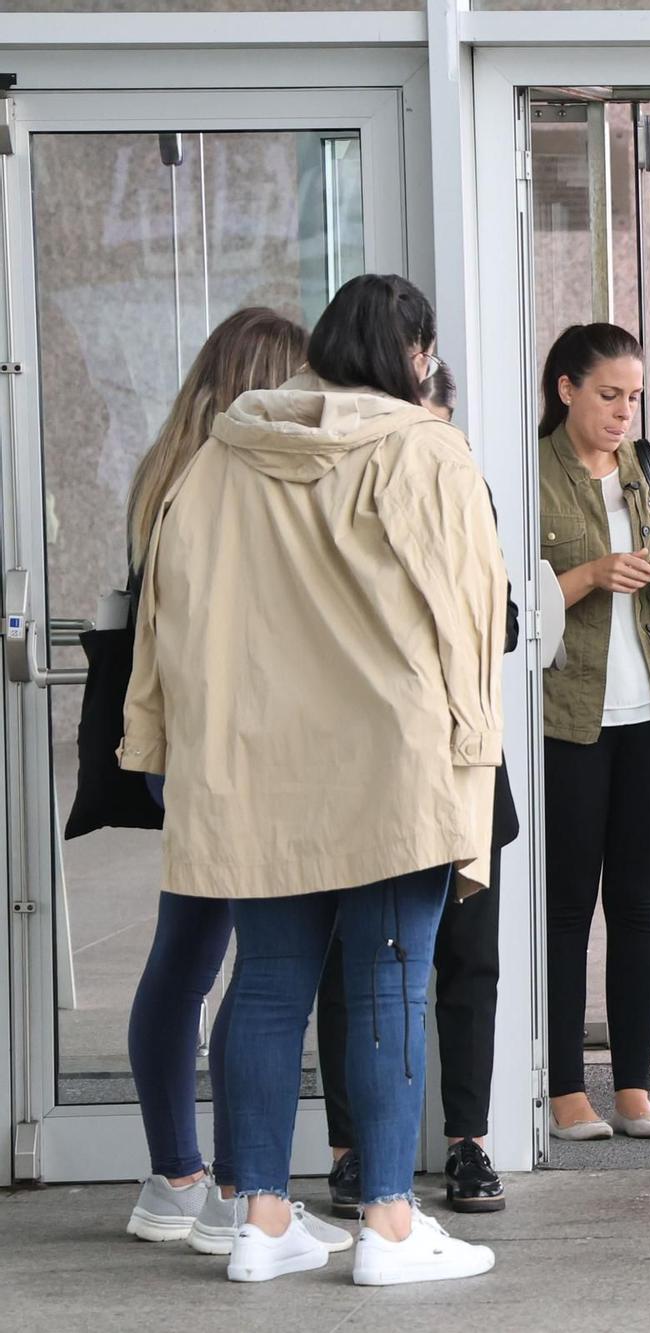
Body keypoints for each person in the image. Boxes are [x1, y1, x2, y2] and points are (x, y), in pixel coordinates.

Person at [121, 273, 506, 1284]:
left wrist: (157, 738)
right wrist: (473, 741)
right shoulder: (425, 450)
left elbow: (168, 616)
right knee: (387, 980)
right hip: (390, 760)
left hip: (251, 760)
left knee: (267, 984)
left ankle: (259, 1217)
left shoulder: (219, 458)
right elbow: (470, 616)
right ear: (417, 353)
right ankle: (385, 1223)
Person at [118, 308, 352, 1258]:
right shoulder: (228, 479)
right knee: (252, 968)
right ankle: (220, 1186)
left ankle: (179, 1174)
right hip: (236, 748)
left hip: (187, 749)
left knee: (187, 956)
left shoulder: (167, 471)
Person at [319, 358, 519, 1213]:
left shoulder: (465, 488)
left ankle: (468, 1141)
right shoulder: (331, 494)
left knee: (470, 957)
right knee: (349, 959)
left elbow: (501, 620)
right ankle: (352, 1147)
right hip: (364, 760)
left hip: (464, 757)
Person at [539, 323, 650, 1139]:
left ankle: (635, 1087)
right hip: (569, 715)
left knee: (638, 901)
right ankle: (565, 1085)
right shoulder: (529, 471)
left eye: (633, 396)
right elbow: (516, 597)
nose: (622, 411)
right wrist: (591, 575)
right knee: (568, 904)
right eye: (609, 394)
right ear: (567, 387)